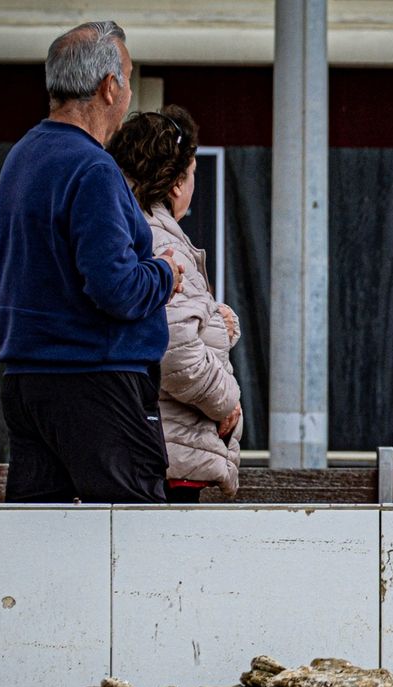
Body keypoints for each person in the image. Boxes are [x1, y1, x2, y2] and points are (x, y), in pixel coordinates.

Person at [0, 20, 183, 503]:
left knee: (45, 546)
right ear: (109, 86)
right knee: (134, 542)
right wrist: (165, 273)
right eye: (129, 77)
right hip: (97, 383)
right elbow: (115, 288)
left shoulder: (22, 157)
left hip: (26, 381)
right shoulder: (93, 168)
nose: (129, 91)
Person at [108, 106, 244, 499]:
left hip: (157, 449)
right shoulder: (163, 241)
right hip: (171, 455)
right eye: (193, 174)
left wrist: (215, 320)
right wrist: (227, 404)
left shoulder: (128, 229)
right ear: (175, 183)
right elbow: (175, 353)